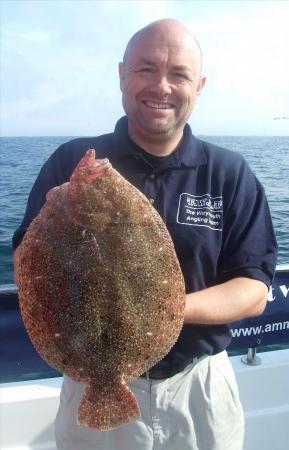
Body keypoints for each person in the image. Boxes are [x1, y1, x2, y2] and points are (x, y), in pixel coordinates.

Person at [13, 19, 277, 450]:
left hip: (199, 387)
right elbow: (30, 266)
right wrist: (58, 211)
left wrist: (153, 314)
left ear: (200, 85)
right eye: (146, 69)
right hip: (90, 382)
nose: (162, 86)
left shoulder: (229, 173)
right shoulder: (67, 161)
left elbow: (252, 289)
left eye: (179, 74)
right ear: (122, 75)